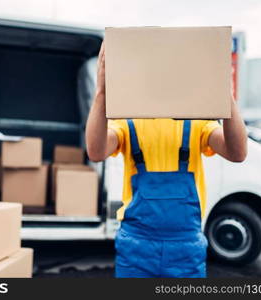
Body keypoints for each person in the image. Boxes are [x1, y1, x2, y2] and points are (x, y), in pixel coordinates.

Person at [85, 42, 248, 278]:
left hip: (185, 247)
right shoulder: (127, 121)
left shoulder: (196, 121)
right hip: (137, 247)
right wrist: (101, 92)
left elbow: (237, 152)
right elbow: (96, 151)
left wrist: (225, 96)